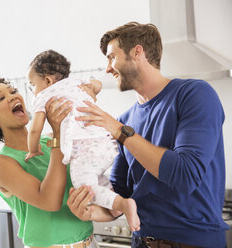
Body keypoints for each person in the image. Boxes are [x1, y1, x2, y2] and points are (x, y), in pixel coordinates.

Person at [67, 22, 229, 248]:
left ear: (137, 52)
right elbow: (121, 196)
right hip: (142, 242)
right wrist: (92, 212)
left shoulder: (194, 94)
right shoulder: (125, 120)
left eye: (112, 57)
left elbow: (186, 174)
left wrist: (119, 132)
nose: (107, 69)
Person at [0, 75, 100, 248]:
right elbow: (50, 201)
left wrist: (83, 97)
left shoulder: (49, 142)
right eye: (1, 98)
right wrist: (57, 136)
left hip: (90, 242)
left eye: (13, 91)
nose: (13, 96)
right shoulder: (2, 163)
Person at [25, 49, 140, 232]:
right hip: (107, 143)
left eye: (32, 84)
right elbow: (97, 84)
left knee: (84, 186)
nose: (33, 89)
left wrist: (33, 149)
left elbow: (35, 129)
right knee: (99, 179)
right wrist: (92, 90)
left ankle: (123, 204)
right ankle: (113, 206)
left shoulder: (43, 96)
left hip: (85, 149)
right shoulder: (76, 83)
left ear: (47, 81)